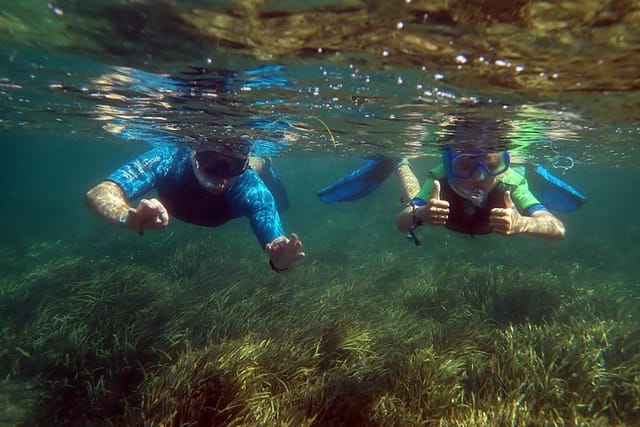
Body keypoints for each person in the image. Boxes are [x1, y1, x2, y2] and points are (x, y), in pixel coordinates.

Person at [86, 142, 305, 272]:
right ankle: (260, 161)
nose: (219, 175)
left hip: (251, 173)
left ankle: (262, 162)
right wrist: (125, 216)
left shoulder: (251, 187)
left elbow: (276, 242)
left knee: (258, 169)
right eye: (211, 160)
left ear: (243, 164)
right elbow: (100, 191)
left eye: (234, 165)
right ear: (193, 152)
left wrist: (281, 262)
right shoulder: (169, 157)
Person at [396, 145, 566, 243]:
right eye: (465, 167)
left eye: (492, 166)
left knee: (520, 175)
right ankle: (402, 164)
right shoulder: (439, 178)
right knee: (413, 202)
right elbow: (402, 223)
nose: (480, 177)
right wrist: (421, 213)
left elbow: (557, 229)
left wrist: (521, 223)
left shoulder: (512, 182)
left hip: (511, 181)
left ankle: (531, 169)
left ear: (502, 168)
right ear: (450, 167)